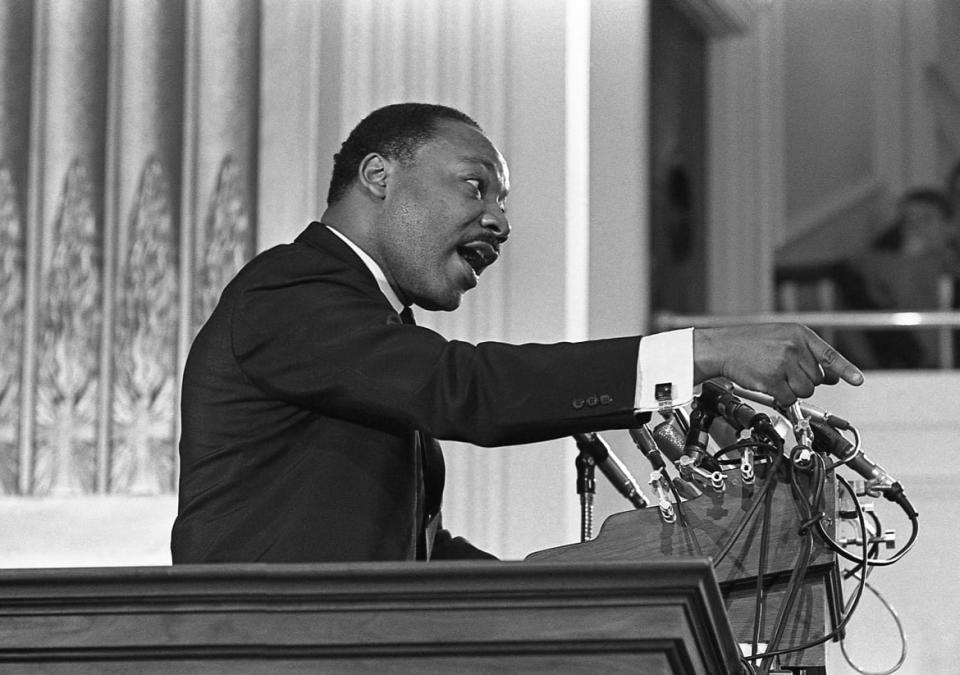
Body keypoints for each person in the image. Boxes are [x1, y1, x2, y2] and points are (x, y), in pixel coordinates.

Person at [171, 103, 863, 564]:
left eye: (502, 202)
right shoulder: (288, 289)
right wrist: (700, 350)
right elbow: (469, 389)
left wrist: (586, 582)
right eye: (476, 188)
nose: (500, 222)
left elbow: (420, 557)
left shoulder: (367, 328)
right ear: (378, 175)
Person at [839, 187, 957, 368]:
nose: (915, 227)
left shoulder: (951, 264)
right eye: (907, 220)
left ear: (949, 225)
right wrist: (910, 260)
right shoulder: (880, 264)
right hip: (905, 362)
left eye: (926, 218)